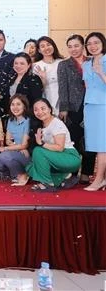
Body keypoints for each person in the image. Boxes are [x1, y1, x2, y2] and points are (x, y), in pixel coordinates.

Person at [18, 98, 81, 192]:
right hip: (55, 158)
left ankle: (48, 183)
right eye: (36, 110)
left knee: (38, 151)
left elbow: (60, 148)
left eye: (43, 108)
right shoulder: (41, 126)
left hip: (69, 157)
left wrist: (41, 143)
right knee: (30, 167)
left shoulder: (57, 124)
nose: (40, 112)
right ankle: (64, 177)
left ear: (50, 109)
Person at [57, 34, 92, 183]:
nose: (73, 49)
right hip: (73, 108)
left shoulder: (92, 61)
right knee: (74, 140)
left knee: (91, 141)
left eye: (76, 46)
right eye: (70, 46)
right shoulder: (64, 64)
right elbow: (62, 88)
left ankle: (86, 173)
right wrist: (64, 108)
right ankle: (71, 172)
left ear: (83, 46)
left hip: (92, 105)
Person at [0, 94, 31, 184]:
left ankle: (22, 175)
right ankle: (13, 173)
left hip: (27, 154)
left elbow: (25, 145)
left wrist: (5, 148)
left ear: (24, 106)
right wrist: (17, 146)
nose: (15, 107)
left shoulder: (28, 121)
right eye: (13, 104)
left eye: (18, 104)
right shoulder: (11, 120)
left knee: (5, 155)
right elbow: (7, 140)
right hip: (16, 150)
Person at [83, 32, 106, 191]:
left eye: (96, 42)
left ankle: (98, 179)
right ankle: (102, 178)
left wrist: (100, 72)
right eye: (89, 43)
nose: (93, 46)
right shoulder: (86, 63)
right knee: (96, 144)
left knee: (101, 145)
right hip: (90, 105)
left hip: (103, 105)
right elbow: (87, 86)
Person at [33, 36, 63, 114]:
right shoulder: (36, 66)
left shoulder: (62, 63)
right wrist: (43, 80)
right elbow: (35, 90)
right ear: (39, 50)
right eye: (42, 46)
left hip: (62, 103)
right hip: (45, 103)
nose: (46, 48)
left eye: (48, 44)